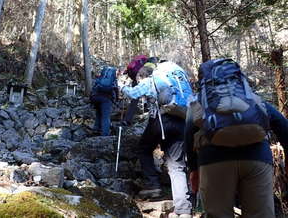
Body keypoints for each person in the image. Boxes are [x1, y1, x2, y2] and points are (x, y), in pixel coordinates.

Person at [185, 58, 288, 218]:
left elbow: (188, 134)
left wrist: (193, 170)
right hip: (257, 159)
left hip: (214, 162)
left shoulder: (200, 102)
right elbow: (282, 124)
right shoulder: (252, 99)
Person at [119, 62, 192, 218]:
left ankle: (153, 185)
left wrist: (121, 86)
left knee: (144, 148)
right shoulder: (176, 82)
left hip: (162, 121)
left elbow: (132, 94)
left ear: (143, 75)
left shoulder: (150, 80)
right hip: (182, 120)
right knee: (176, 166)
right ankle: (183, 209)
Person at [122, 56, 159, 126]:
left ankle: (127, 120)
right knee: (150, 97)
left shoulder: (142, 63)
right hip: (145, 81)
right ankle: (148, 114)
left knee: (134, 100)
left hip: (137, 79)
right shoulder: (153, 66)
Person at [90, 66, 119, 136]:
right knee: (105, 116)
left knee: (98, 113)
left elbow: (94, 87)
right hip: (106, 99)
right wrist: (116, 100)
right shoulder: (113, 80)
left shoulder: (100, 78)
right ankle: (105, 135)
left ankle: (96, 129)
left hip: (95, 98)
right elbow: (116, 90)